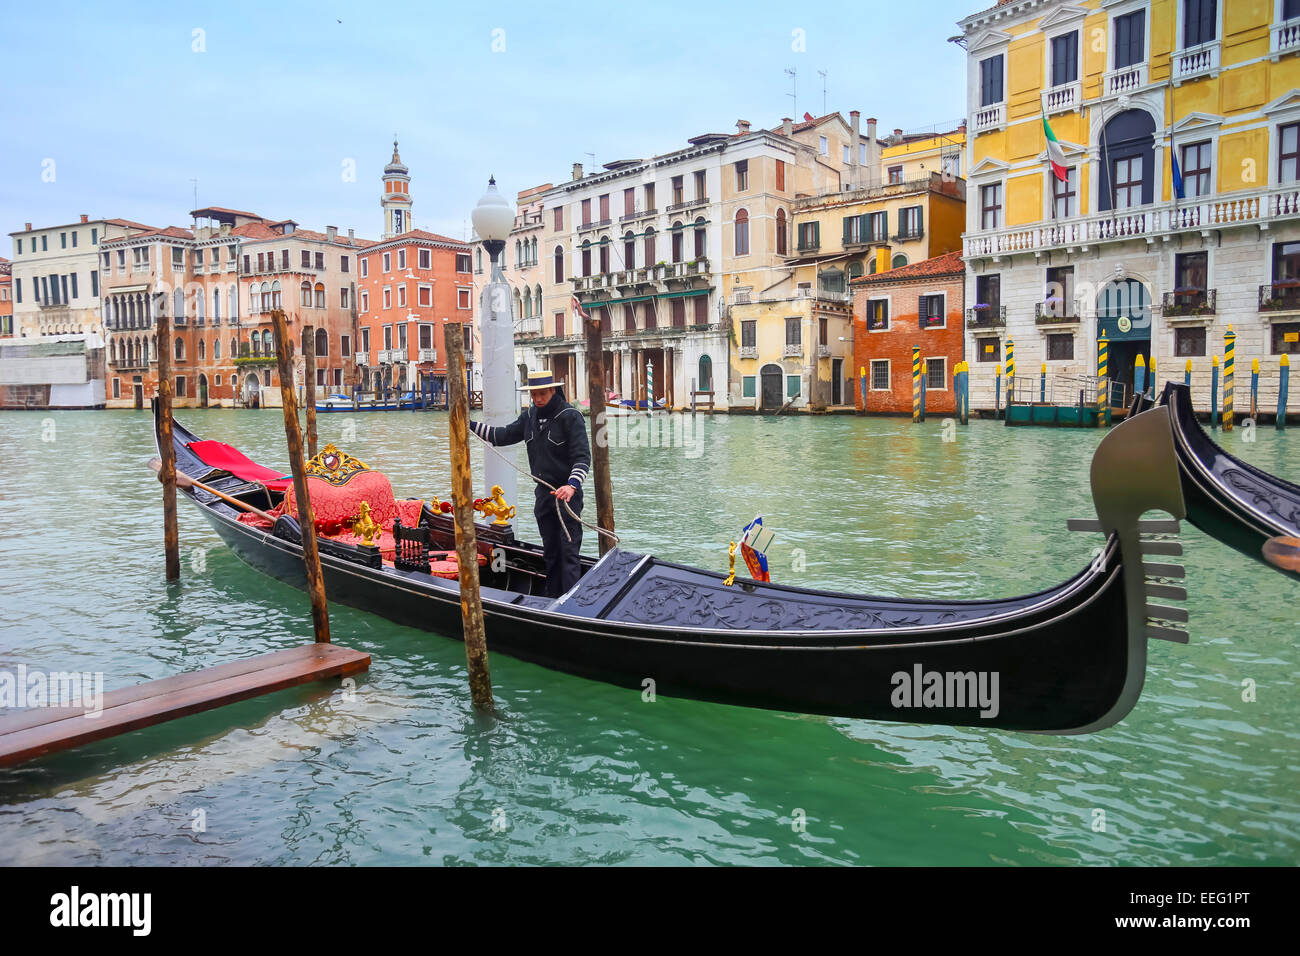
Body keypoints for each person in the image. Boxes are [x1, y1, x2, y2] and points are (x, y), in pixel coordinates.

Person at [470, 371, 591, 597]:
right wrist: (467, 424)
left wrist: (572, 485)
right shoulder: (530, 416)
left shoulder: (571, 416)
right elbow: (502, 436)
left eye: (542, 394)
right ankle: (553, 598)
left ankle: (570, 603)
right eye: (533, 394)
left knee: (569, 552)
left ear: (553, 391)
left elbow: (582, 457)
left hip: (567, 497)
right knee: (551, 553)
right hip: (544, 496)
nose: (537, 399)